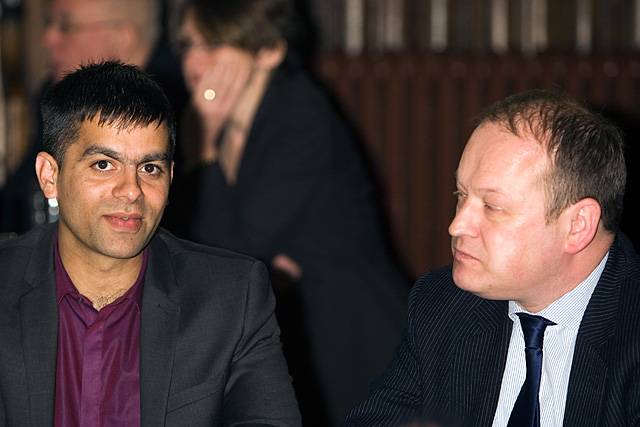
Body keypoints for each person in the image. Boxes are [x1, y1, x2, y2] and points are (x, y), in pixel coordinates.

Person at [0, 61, 300, 426]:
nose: (132, 191)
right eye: (103, 165)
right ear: (50, 176)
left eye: (150, 168)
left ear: (170, 178)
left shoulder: (231, 298)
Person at [173, 0, 409, 425]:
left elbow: (228, 255)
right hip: (303, 332)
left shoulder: (300, 117)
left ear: (269, 52)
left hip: (354, 338)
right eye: (190, 44)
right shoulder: (231, 122)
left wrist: (207, 142)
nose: (194, 60)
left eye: (216, 44)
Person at [346, 90, 640, 426]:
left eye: (492, 207)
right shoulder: (443, 306)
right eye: (462, 195)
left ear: (577, 226)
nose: (457, 225)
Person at [0, 0, 188, 234]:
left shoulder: (182, 112)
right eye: (103, 165)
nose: (48, 39)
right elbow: (16, 203)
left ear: (121, 38)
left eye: (65, 26)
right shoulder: (60, 101)